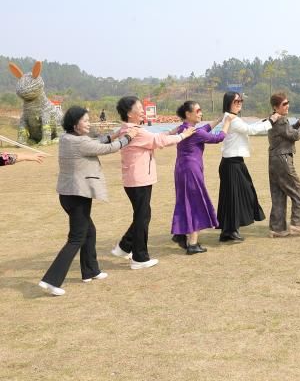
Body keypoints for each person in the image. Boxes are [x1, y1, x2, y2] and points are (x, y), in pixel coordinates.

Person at [39, 106, 138, 296]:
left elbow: (94, 143)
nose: (88, 123)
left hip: (69, 195)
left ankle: (91, 271)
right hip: (77, 195)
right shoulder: (80, 142)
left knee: (89, 232)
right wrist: (128, 137)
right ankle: (51, 280)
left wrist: (113, 134)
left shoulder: (67, 138)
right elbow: (105, 148)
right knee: (76, 238)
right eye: (84, 121)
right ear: (75, 125)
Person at [111, 96, 195, 269]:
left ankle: (124, 246)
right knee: (142, 217)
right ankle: (139, 258)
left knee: (142, 215)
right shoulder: (136, 131)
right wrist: (182, 135)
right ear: (129, 113)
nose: (143, 111)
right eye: (139, 108)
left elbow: (155, 137)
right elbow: (157, 141)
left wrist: (172, 132)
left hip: (135, 179)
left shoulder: (130, 129)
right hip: (139, 180)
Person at [170, 101, 232, 254]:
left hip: (181, 169)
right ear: (188, 114)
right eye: (197, 111)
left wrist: (219, 119)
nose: (201, 113)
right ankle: (192, 243)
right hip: (191, 171)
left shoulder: (184, 129)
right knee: (195, 203)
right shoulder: (195, 133)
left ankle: (179, 233)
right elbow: (218, 138)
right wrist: (227, 123)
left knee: (184, 201)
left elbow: (205, 128)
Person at [217, 91, 279, 242]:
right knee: (234, 197)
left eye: (241, 101)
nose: (239, 103)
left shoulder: (232, 118)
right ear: (229, 103)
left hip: (234, 162)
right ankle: (231, 230)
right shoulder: (232, 119)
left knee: (235, 196)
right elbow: (251, 130)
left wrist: (266, 120)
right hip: (232, 164)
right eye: (236, 101)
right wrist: (271, 121)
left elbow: (248, 127)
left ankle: (228, 230)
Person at [267, 92, 300, 238]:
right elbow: (294, 135)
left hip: (273, 160)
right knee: (298, 191)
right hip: (283, 160)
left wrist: (298, 123)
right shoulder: (282, 120)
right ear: (275, 107)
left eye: (288, 103)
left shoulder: (273, 120)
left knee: (278, 195)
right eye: (284, 104)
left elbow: (287, 131)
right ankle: (297, 223)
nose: (287, 106)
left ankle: (277, 228)